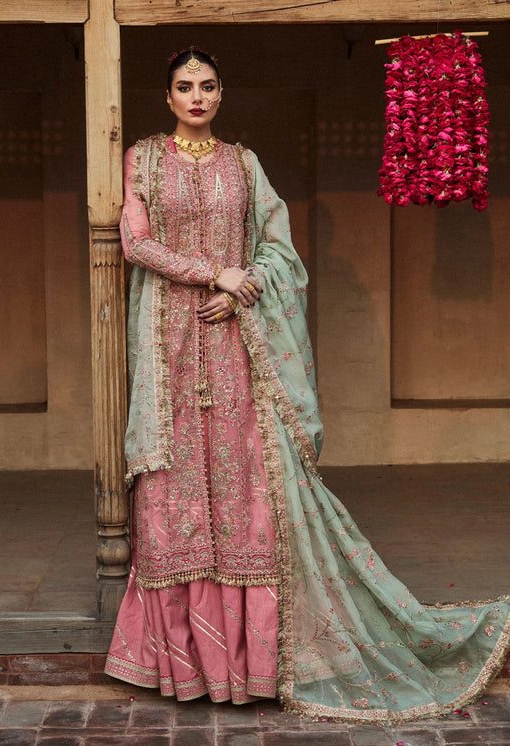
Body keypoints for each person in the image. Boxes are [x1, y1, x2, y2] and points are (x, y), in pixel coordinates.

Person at [105, 47, 510, 723]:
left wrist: (242, 290)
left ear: (221, 93)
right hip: (168, 349)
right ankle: (186, 669)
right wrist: (214, 272)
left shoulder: (243, 163)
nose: (197, 97)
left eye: (208, 85)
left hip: (240, 350)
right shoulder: (145, 157)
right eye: (184, 87)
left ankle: (257, 668)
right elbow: (134, 242)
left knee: (250, 498)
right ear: (168, 96)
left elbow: (276, 246)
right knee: (171, 497)